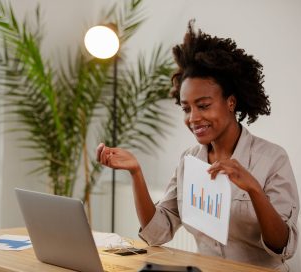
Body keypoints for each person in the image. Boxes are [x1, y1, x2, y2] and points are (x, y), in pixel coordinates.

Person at [96, 21, 299, 271]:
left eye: (203, 106)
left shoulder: (272, 158)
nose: (192, 118)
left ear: (231, 102)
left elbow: (282, 246)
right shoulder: (189, 160)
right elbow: (158, 233)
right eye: (186, 108)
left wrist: (254, 189)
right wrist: (136, 172)